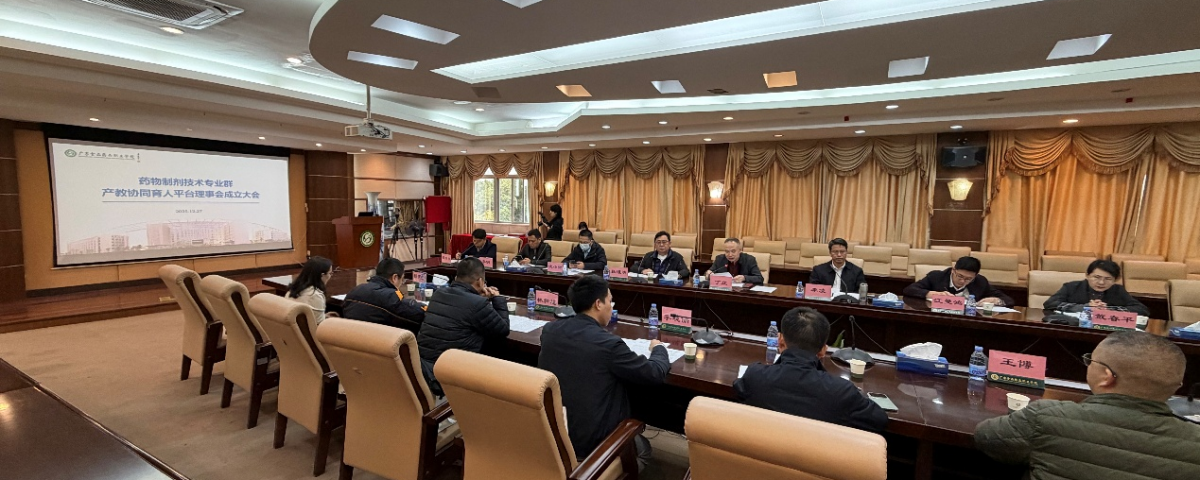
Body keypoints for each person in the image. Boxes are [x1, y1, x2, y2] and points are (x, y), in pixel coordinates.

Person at [974, 331, 1200, 479]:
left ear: (1107, 376)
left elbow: (986, 437)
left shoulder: (1047, 417)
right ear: (1176, 386)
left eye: (1091, 360)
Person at [538, 275, 669, 471]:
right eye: (610, 301)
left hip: (555, 433)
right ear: (598, 304)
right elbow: (654, 373)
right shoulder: (608, 344)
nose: (612, 306)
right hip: (593, 444)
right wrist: (659, 349)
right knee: (643, 449)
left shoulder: (550, 331)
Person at [734, 307, 888, 433]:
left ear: (780, 341)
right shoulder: (842, 391)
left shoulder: (755, 375)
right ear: (823, 351)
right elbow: (880, 420)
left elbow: (738, 388)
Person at [417, 257, 510, 396]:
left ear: (456, 277)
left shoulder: (438, 294)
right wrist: (497, 298)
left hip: (423, 366)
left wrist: (478, 297)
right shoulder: (477, 304)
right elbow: (503, 330)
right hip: (447, 373)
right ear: (480, 281)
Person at [342, 258, 426, 331]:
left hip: (352, 339)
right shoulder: (391, 296)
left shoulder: (355, 290)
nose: (401, 283)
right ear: (395, 278)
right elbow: (418, 313)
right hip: (378, 341)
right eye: (402, 279)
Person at [1044, 260, 1150, 316]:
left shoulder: (1118, 290)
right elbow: (1050, 304)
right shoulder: (1072, 287)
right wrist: (1085, 308)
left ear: (1116, 280)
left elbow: (1142, 309)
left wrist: (1109, 310)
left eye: (1108, 279)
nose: (1101, 282)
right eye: (1097, 277)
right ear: (1087, 275)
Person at [903, 256, 1014, 306]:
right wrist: (930, 294)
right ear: (953, 270)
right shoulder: (937, 276)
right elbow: (909, 290)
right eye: (959, 276)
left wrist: (996, 301)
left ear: (975, 276)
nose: (962, 281)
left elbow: (1009, 300)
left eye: (968, 279)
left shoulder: (980, 282)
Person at [287, 256, 333, 325]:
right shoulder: (315, 295)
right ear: (322, 275)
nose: (330, 276)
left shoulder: (292, 290)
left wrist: (323, 316)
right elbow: (320, 325)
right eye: (330, 273)